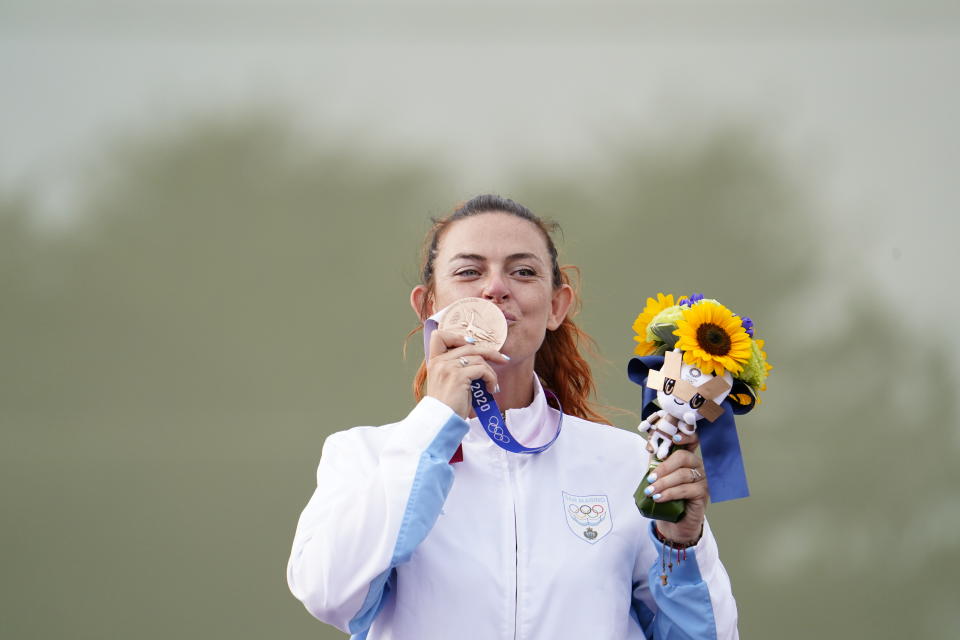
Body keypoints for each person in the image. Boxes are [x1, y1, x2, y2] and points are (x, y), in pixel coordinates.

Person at [286, 194, 738, 639]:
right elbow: (329, 594)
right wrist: (436, 423)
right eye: (468, 271)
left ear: (557, 306)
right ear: (428, 306)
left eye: (523, 271)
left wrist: (682, 545)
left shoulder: (627, 463)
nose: (496, 287)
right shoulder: (364, 456)